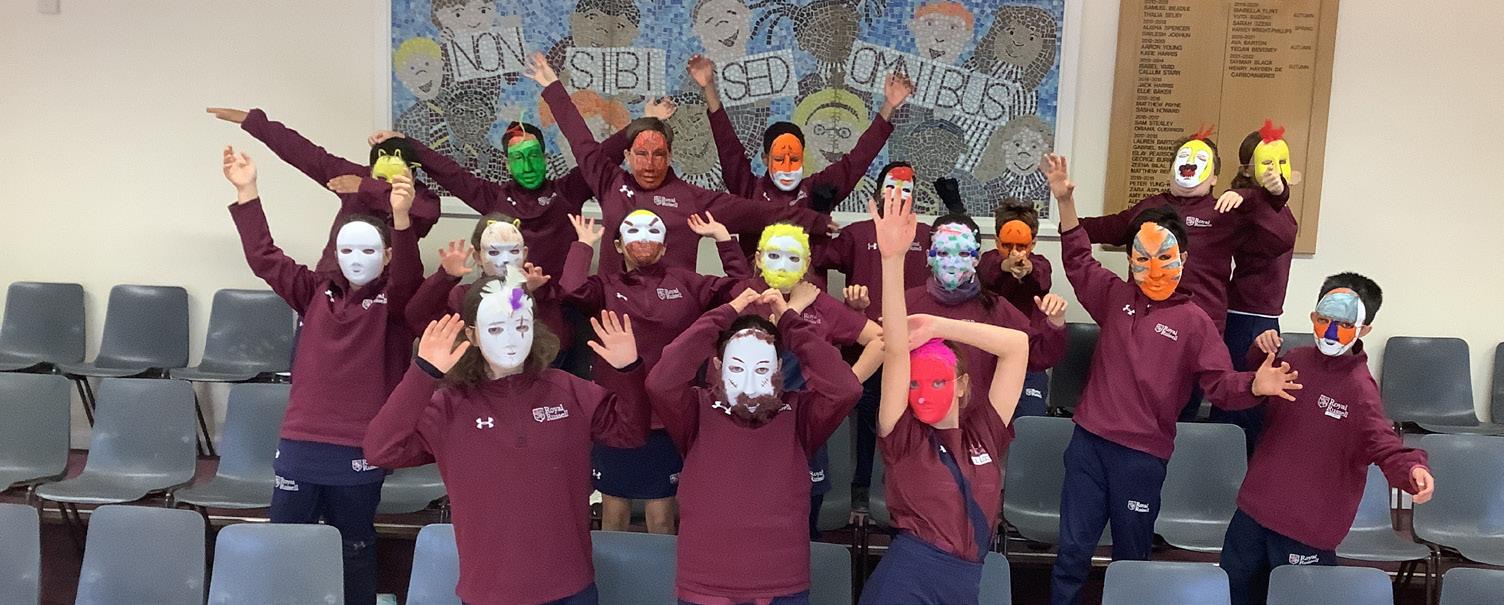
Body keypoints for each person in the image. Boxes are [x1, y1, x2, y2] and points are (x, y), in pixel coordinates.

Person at [1043, 154, 1302, 605]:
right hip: (1088, 445)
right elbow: (1080, 259)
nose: (1154, 267)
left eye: (1164, 257)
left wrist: (1253, 386)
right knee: (1072, 553)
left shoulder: (1195, 322)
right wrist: (1065, 202)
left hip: (1142, 457)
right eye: (1142, 258)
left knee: (1132, 560)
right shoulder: (1114, 297)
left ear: (1182, 258)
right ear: (1130, 259)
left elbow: (1219, 383)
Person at [221, 146, 421, 605]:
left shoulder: (398, 305)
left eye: (368, 250)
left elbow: (409, 277)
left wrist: (401, 217)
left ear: (388, 255)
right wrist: (247, 191)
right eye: (346, 249)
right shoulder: (313, 292)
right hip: (300, 443)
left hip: (361, 447)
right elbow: (264, 257)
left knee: (354, 547)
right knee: (285, 543)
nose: (355, 258)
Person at [364, 287, 651, 605]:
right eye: (496, 329)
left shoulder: (568, 390)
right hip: (489, 592)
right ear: (472, 335)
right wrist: (424, 373)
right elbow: (380, 450)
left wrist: (628, 370)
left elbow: (631, 433)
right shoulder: (449, 406)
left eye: (521, 325)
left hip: (570, 586)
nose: (511, 339)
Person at [855, 181, 1031, 604]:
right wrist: (893, 259)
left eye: (938, 381)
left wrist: (938, 326)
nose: (923, 392)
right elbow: (896, 351)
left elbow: (1017, 346)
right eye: (915, 383)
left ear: (963, 385)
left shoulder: (983, 433)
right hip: (908, 581)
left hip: (964, 582)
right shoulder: (903, 437)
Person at [1220, 273, 1434, 605]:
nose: (1331, 332)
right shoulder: (1295, 360)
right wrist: (1259, 356)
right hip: (1253, 511)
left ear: (1364, 329)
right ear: (1313, 317)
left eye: (1345, 324)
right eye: (1324, 319)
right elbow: (1251, 394)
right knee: (1234, 592)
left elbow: (1383, 443)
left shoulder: (1360, 390)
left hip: (1307, 528)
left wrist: (1412, 469)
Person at [526, 52, 835, 277]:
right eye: (641, 154)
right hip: (615, 315)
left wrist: (815, 222)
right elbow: (581, 141)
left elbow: (762, 213)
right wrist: (553, 87)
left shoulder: (692, 199)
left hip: (677, 318)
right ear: (627, 155)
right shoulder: (609, 182)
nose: (650, 164)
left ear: (670, 156)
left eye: (658, 155)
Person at [647, 289, 863, 605]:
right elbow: (661, 381)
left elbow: (846, 389)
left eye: (762, 369)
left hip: (781, 585)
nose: (749, 384)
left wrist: (790, 321)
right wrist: (725, 313)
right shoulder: (695, 410)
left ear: (778, 369)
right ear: (718, 366)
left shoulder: (800, 414)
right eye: (736, 369)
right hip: (706, 585)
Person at [1076, 129, 1290, 421]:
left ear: (1214, 177)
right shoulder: (1150, 206)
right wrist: (1064, 221)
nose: (1190, 163)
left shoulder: (1225, 211)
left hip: (1197, 331)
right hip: (1142, 325)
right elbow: (1106, 228)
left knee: (1181, 414)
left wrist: (1257, 197)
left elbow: (1279, 240)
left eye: (1201, 160)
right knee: (1132, 404)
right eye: (1183, 157)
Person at [560, 209, 749, 535]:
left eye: (652, 233)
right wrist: (584, 245)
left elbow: (742, 289)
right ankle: (613, 571)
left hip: (666, 418)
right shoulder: (605, 285)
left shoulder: (686, 282)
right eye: (634, 232)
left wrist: (723, 239)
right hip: (617, 417)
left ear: (664, 247)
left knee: (661, 517)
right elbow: (571, 289)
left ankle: (663, 572)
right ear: (618, 245)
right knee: (613, 513)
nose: (643, 240)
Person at [689, 54, 914, 259]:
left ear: (803, 157)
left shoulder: (817, 190)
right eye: (779, 159)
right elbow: (729, 148)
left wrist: (889, 107)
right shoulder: (748, 189)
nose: (787, 166)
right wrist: (708, 88)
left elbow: (857, 160)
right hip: (757, 285)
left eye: (794, 159)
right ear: (765, 159)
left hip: (807, 287)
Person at [739, 222, 884, 537]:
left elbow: (880, 340)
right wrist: (793, 309)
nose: (783, 265)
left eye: (793, 258)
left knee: (804, 527)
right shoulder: (742, 297)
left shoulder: (820, 303)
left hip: (805, 428)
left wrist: (846, 384)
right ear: (759, 258)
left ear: (806, 263)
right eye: (774, 255)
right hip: (747, 427)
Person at [906, 178, 1067, 440]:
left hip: (977, 434)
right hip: (917, 433)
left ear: (976, 258)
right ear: (929, 256)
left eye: (963, 254)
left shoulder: (996, 309)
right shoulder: (908, 304)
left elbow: (1038, 355)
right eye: (943, 253)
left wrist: (1055, 323)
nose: (953, 262)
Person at [817, 162, 933, 505]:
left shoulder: (926, 235)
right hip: (868, 347)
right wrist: (818, 213)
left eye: (907, 189)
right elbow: (816, 259)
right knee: (867, 420)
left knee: (911, 421)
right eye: (891, 187)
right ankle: (862, 490)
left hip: (915, 349)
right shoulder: (856, 234)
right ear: (878, 192)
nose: (898, 195)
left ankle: (905, 492)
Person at [207, 107, 441, 273]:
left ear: (414, 173)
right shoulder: (354, 176)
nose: (388, 180)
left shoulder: (423, 199)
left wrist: (366, 187)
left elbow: (426, 213)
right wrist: (255, 123)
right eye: (380, 173)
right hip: (331, 284)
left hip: (387, 295)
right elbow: (306, 154)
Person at [1209, 121, 1302, 452]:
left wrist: (1278, 193)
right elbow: (1278, 232)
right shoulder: (1249, 205)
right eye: (1266, 162)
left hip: (1263, 313)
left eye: (1280, 162)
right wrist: (1244, 193)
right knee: (1242, 394)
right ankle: (1225, 462)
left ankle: (1244, 462)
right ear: (1248, 169)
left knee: (1257, 395)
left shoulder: (1272, 204)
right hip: (1247, 314)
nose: (1275, 170)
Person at [979, 199, 1056, 417]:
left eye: (1021, 246)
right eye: (1007, 245)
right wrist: (1006, 266)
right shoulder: (988, 260)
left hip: (1029, 363)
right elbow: (988, 270)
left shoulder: (1041, 264)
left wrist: (1026, 269)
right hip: (990, 361)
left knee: (1031, 420)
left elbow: (1042, 277)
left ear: (1033, 243)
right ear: (997, 241)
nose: (1014, 252)